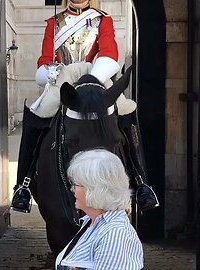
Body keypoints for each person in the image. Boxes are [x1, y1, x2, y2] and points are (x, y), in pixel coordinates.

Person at [11, 0, 158, 214]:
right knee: (38, 112)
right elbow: (45, 57)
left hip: (96, 76)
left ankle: (142, 182)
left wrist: (92, 79)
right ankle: (22, 185)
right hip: (64, 80)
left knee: (126, 109)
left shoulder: (103, 19)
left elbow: (109, 52)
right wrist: (49, 70)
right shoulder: (54, 22)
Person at [55, 148, 144, 269]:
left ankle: (142, 180)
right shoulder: (89, 222)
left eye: (76, 185)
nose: (72, 189)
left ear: (95, 189)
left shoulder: (115, 235)